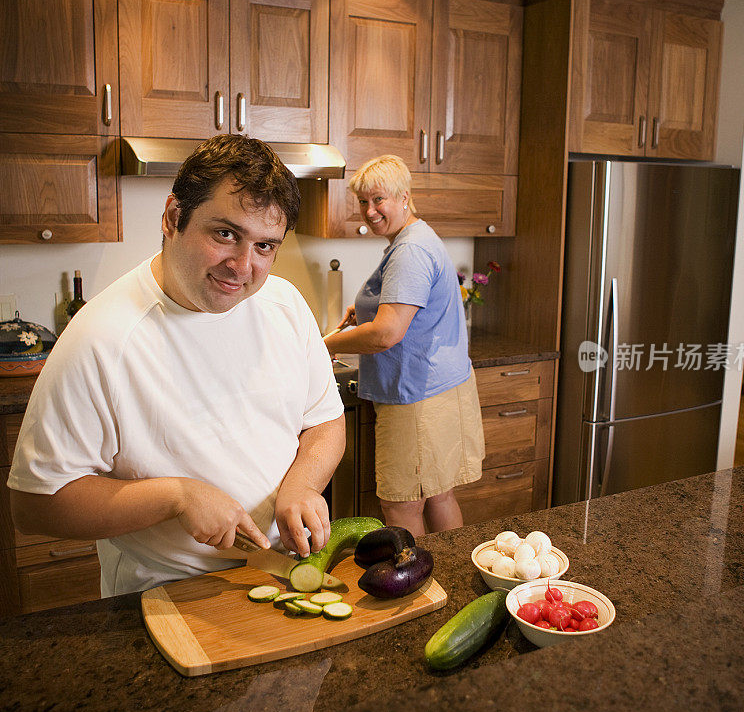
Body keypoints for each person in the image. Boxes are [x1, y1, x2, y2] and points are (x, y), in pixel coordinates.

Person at [8, 135, 345, 596]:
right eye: (225, 234)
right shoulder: (103, 338)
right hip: (167, 595)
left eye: (265, 246)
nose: (243, 266)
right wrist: (176, 497)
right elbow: (35, 503)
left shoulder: (283, 304)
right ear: (172, 219)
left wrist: (304, 484)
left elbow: (326, 420)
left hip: (281, 575)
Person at [323, 155, 484, 537]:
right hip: (439, 389)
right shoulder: (416, 237)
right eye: (363, 201)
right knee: (438, 495)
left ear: (404, 197)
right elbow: (400, 310)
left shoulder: (410, 251)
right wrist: (369, 307)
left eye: (379, 199)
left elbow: (386, 333)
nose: (369, 210)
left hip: (417, 396)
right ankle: (448, 576)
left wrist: (323, 344)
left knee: (401, 502)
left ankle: (416, 587)